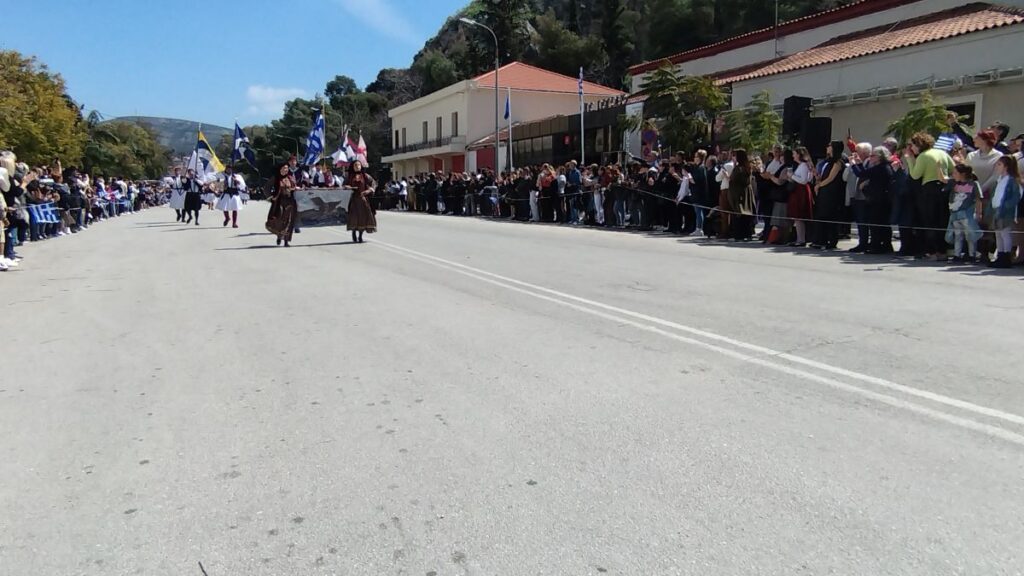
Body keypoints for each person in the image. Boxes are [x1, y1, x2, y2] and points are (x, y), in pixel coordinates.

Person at [905, 132, 955, 260]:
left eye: (913, 145)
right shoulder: (942, 153)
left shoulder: (923, 156)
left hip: (929, 189)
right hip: (943, 188)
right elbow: (953, 169)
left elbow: (915, 175)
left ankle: (933, 251)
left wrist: (910, 160)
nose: (912, 148)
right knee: (942, 220)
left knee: (930, 221)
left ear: (919, 145)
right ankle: (943, 251)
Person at [851, 146, 896, 254]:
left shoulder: (881, 167)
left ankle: (876, 246)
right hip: (882, 199)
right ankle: (885, 245)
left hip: (878, 200)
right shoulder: (884, 166)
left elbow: (861, 174)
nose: (870, 158)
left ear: (880, 157)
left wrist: (853, 164)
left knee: (876, 223)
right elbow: (867, 172)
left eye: (873, 156)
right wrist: (859, 164)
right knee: (883, 224)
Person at [811, 142, 847, 250]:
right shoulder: (827, 161)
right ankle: (821, 239)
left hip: (832, 192)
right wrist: (817, 177)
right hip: (824, 190)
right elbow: (824, 175)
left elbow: (831, 178)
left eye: (829, 146)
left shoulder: (838, 162)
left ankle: (832, 241)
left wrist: (819, 185)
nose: (827, 147)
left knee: (830, 216)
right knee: (821, 215)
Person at [988, 156, 1022, 268]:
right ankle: (1000, 255)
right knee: (998, 234)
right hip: (997, 209)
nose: (997, 167)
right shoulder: (999, 179)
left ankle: (1006, 256)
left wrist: (1007, 205)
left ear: (1006, 166)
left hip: (1006, 211)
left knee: (1005, 233)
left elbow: (1016, 196)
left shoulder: (1011, 180)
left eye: (999, 164)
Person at [946, 164, 983, 264]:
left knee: (970, 235)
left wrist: (979, 213)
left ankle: (972, 255)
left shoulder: (973, 184)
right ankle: (957, 255)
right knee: (958, 235)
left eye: (955, 173)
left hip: (968, 214)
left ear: (963, 174)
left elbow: (979, 199)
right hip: (956, 214)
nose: (953, 175)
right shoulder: (954, 184)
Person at [844, 143, 873, 252]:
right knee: (859, 220)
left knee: (864, 220)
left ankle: (865, 243)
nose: (855, 154)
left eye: (858, 152)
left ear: (865, 153)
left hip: (865, 196)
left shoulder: (870, 163)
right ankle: (862, 242)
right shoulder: (859, 163)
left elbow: (865, 175)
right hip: (856, 195)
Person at [726, 149, 756, 241]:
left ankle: (739, 235)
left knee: (739, 213)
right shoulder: (747, 167)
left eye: (735, 156)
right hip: (746, 192)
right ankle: (747, 233)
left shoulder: (739, 168)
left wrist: (728, 177)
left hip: (739, 193)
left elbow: (733, 180)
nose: (733, 158)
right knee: (745, 213)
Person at [265, 163, 297, 247]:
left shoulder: (290, 178)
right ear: (280, 169)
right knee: (279, 220)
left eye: (287, 168)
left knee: (289, 221)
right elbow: (267, 187)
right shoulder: (275, 178)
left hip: (290, 202)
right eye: (284, 168)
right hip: (279, 202)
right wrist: (270, 197)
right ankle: (279, 235)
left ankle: (286, 241)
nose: (285, 170)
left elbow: (295, 187)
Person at [345, 160, 377, 243]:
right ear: (353, 167)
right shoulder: (349, 176)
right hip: (353, 200)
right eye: (355, 165)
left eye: (359, 165)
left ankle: (360, 236)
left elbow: (373, 183)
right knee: (354, 217)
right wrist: (347, 187)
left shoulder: (365, 176)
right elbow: (344, 185)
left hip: (363, 200)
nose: (357, 166)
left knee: (363, 218)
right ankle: (353, 232)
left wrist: (369, 190)